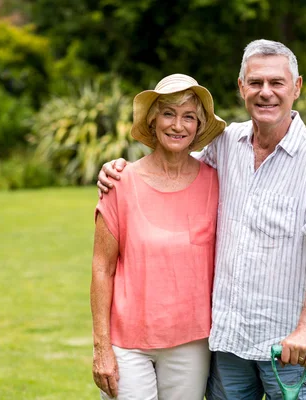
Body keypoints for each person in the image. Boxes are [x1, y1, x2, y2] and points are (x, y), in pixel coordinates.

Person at [98, 40, 306, 399]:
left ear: (296, 87)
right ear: (241, 87)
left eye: (277, 83)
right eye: (256, 82)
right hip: (230, 345)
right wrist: (118, 170)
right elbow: (173, 163)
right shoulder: (227, 144)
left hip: (288, 347)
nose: (266, 93)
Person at [90, 73, 226, 400]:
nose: (177, 125)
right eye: (169, 113)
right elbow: (101, 268)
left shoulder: (217, 183)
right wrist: (101, 348)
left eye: (188, 117)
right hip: (126, 342)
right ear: (153, 121)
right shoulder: (120, 182)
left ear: (198, 127)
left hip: (190, 342)